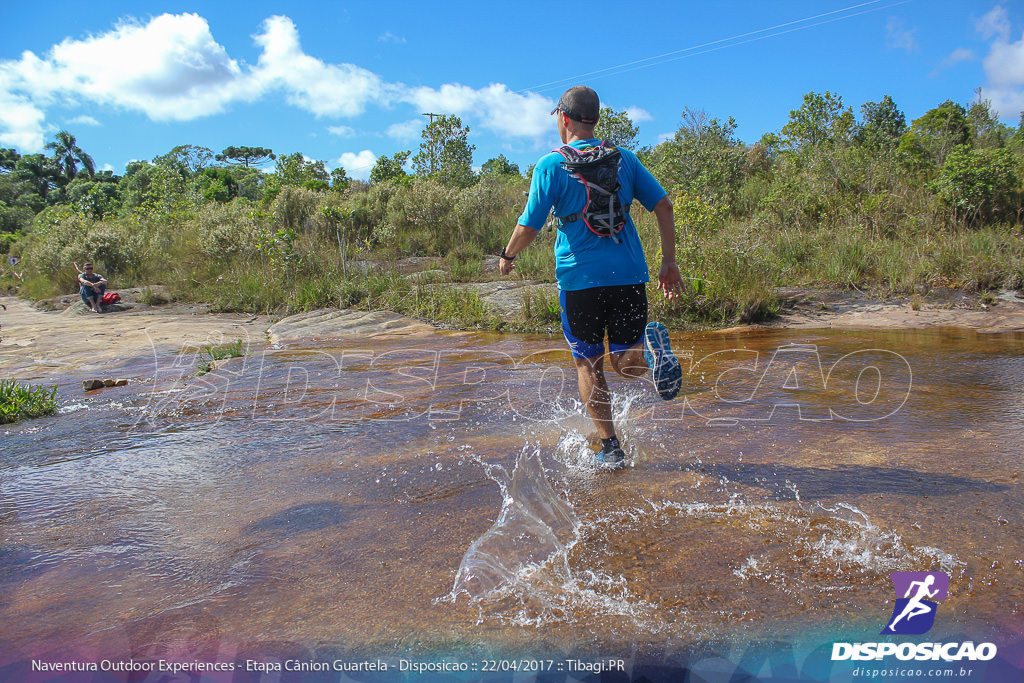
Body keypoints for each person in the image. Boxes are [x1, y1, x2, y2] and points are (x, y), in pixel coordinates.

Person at [499, 85, 684, 469]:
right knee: (626, 362)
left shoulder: (550, 166)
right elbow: (663, 206)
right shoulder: (626, 160)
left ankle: (612, 448)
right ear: (594, 119)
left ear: (562, 118)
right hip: (629, 275)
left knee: (589, 364)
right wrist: (669, 262)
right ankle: (651, 356)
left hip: (580, 282)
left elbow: (529, 225)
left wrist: (507, 255)